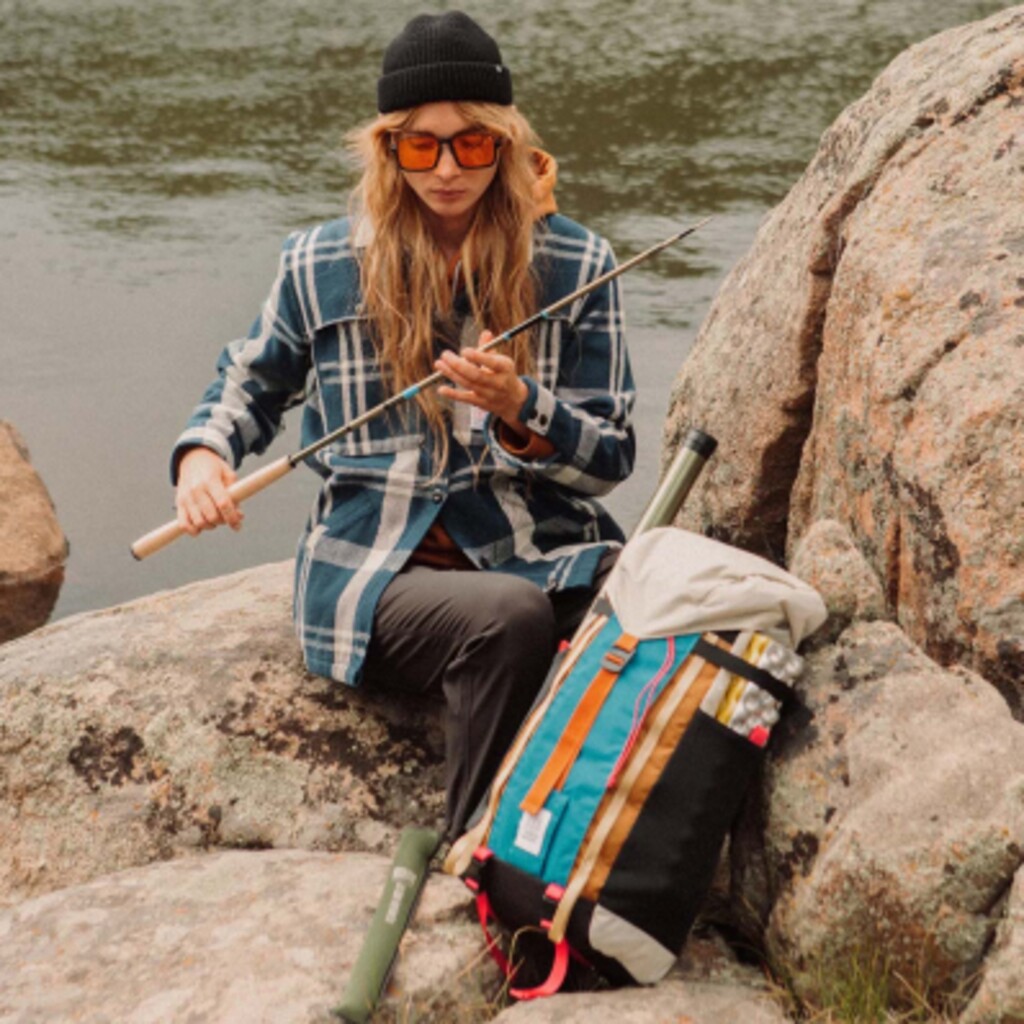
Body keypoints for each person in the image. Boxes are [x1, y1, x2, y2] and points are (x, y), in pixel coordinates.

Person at [171, 11, 635, 838]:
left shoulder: (578, 262)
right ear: (388, 150)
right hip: (376, 571)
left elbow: (610, 463)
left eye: (471, 143)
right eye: (422, 146)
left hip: (539, 552)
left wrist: (521, 407)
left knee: (665, 595)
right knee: (509, 619)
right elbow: (252, 381)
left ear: (504, 144)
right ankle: (472, 851)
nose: (448, 169)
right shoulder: (318, 261)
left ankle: (599, 851)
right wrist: (204, 457)